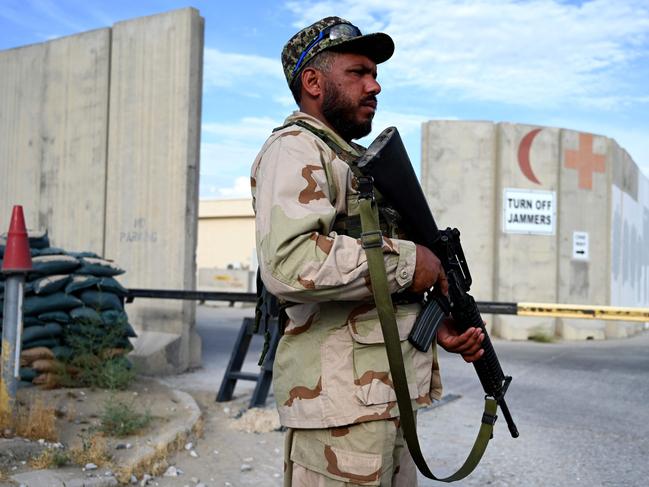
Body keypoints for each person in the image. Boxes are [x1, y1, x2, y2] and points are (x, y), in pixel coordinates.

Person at [251, 16, 484, 486]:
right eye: (357, 72)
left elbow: (367, 289)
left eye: (374, 73)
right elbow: (289, 262)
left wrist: (430, 327)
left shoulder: (350, 162)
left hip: (382, 398)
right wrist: (410, 262)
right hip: (340, 411)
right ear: (312, 82)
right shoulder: (295, 149)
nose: (374, 85)